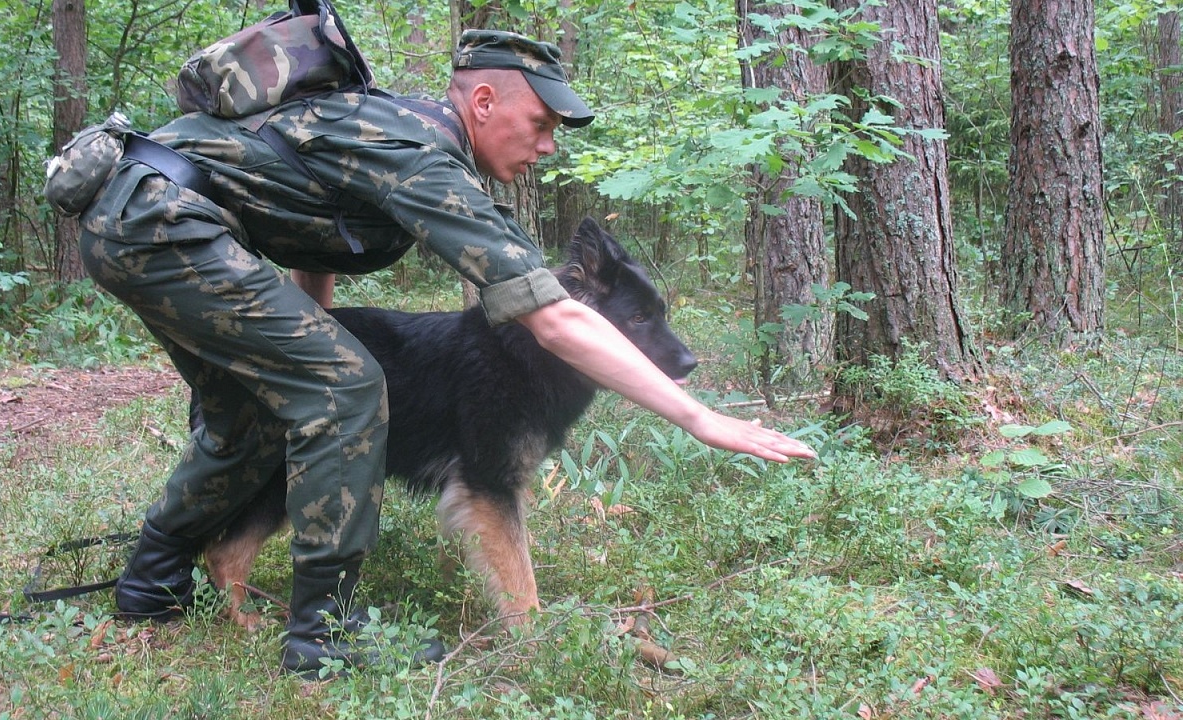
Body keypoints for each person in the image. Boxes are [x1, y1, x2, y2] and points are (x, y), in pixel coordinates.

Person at [76, 29, 816, 677]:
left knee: (257, 411)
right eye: (541, 122)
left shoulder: (393, 130)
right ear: (485, 102)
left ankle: (153, 583)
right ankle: (324, 635)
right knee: (346, 385)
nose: (549, 143)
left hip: (140, 214)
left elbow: (314, 230)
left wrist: (314, 327)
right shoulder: (423, 156)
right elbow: (552, 320)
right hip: (165, 222)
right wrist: (700, 419)